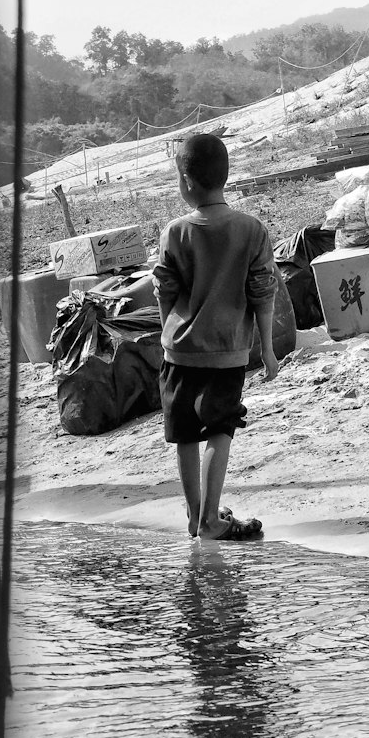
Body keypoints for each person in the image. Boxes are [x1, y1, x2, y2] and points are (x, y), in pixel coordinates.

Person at [153, 133, 279, 541]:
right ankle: (211, 519)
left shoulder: (174, 232)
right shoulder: (251, 230)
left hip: (180, 351)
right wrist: (269, 351)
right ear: (224, 177)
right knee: (219, 430)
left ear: (186, 182)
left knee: (186, 433)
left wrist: (165, 336)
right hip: (228, 354)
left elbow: (164, 292)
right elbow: (262, 292)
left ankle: (195, 518)